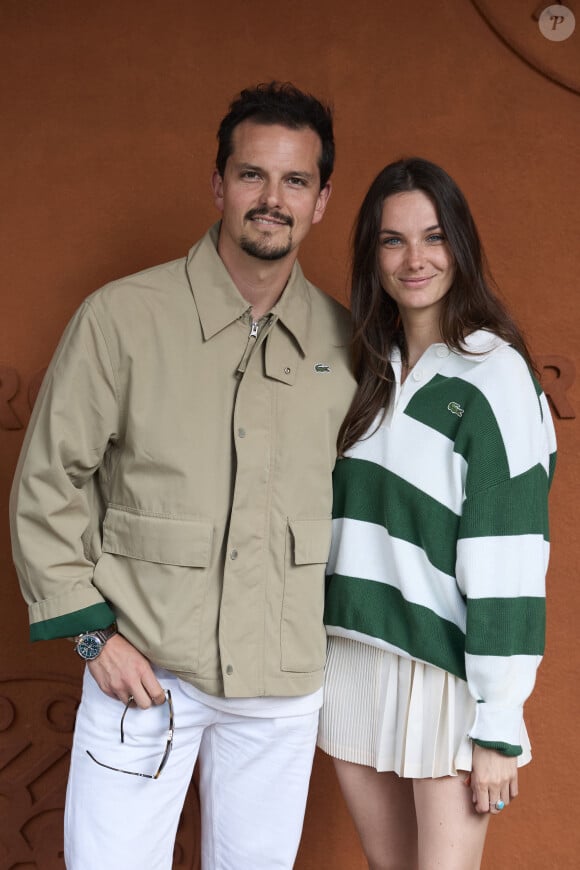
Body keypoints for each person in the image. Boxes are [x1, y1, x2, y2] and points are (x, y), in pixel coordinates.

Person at [10, 81, 356, 870]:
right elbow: (48, 480)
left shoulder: (346, 342)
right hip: (145, 676)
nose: (272, 199)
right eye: (252, 175)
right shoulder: (121, 318)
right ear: (218, 184)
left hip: (280, 691)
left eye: (295, 180)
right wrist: (90, 634)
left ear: (323, 199)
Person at [317, 157, 556, 870]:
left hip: (443, 672)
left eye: (433, 236)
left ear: (461, 244)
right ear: (372, 254)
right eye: (392, 240)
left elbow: (509, 557)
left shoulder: (496, 376)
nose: (414, 259)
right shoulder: (367, 366)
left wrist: (499, 724)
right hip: (353, 658)